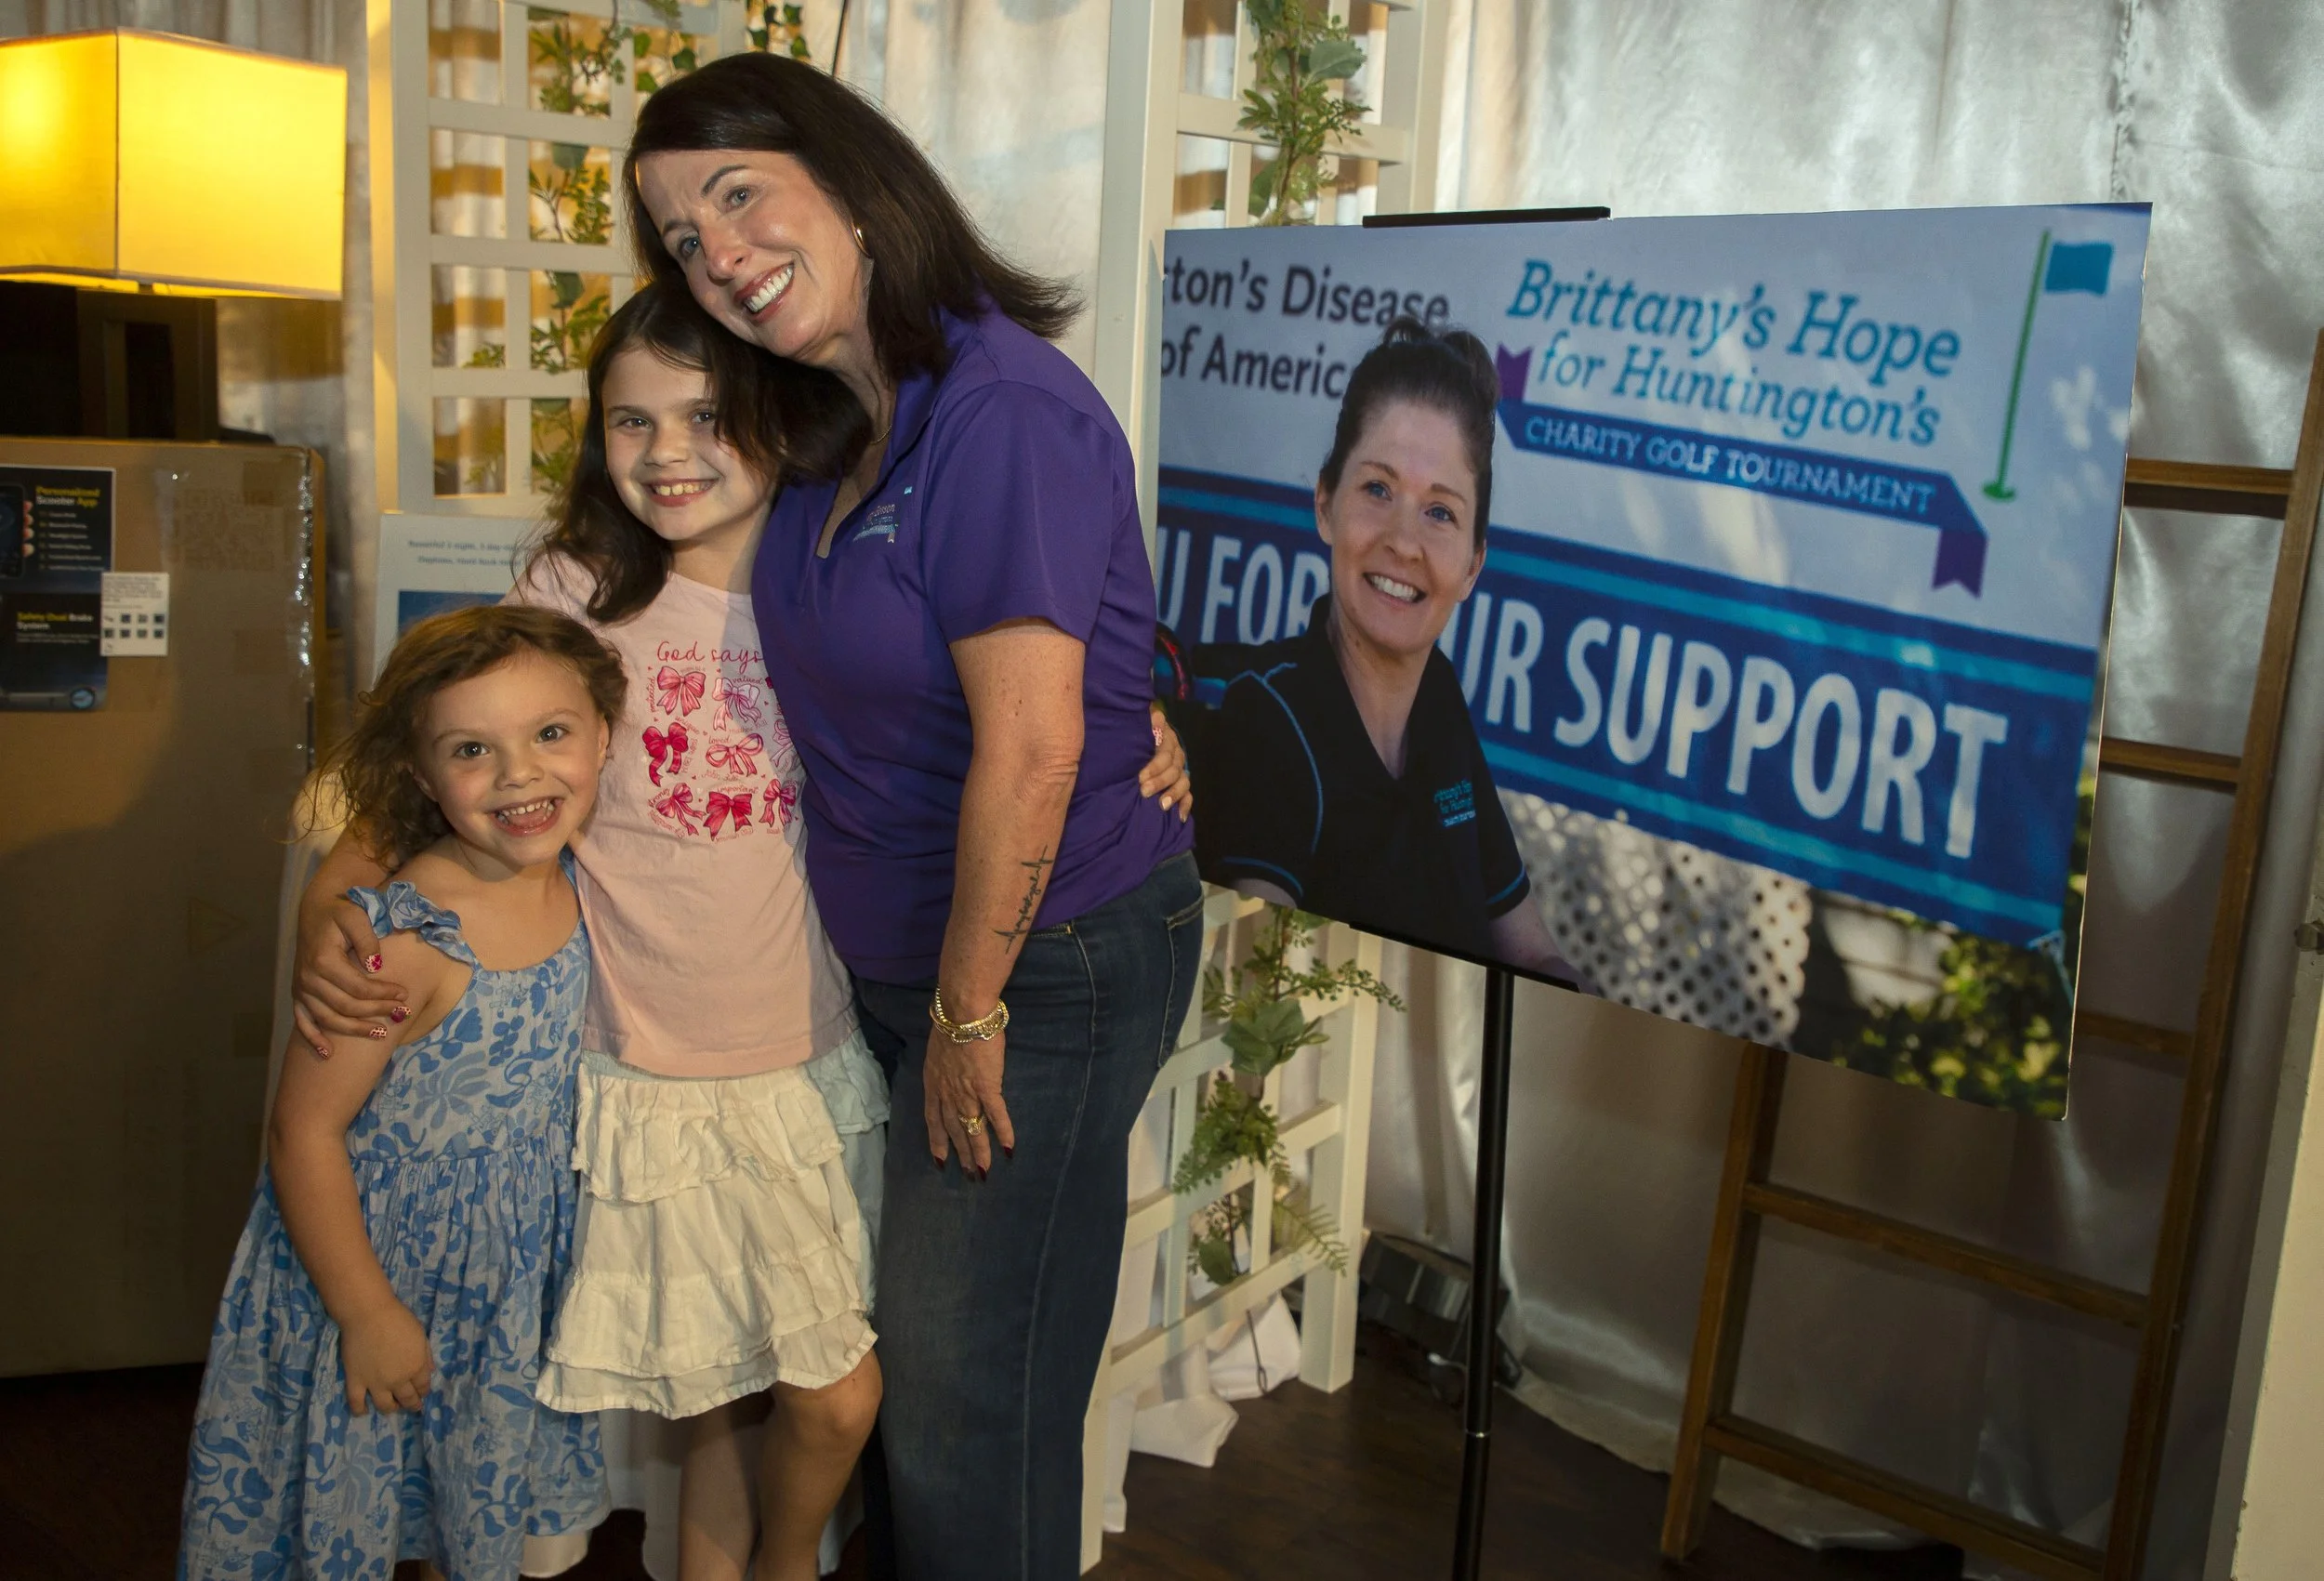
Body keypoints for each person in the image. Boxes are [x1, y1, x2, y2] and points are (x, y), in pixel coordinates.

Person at [287, 283, 1192, 1576]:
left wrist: (1152, 729)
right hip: (652, 1068)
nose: (665, 453)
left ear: (778, 412)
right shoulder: (576, 590)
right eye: (628, 421)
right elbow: (437, 764)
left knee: (810, 1384)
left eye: (707, 414)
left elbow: (1023, 677)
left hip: (814, 1054)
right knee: (742, 1390)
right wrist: (334, 909)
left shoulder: (832, 564)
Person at [626, 51, 1205, 1579]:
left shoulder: (999, 406)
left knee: (965, 1412)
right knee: (903, 1391)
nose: (716, 249)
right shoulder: (828, 419)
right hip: (885, 975)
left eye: (737, 193)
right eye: (682, 237)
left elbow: (1024, 750)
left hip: (1028, 973)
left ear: (858, 184)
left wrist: (964, 1010)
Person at [179, 605, 617, 1580]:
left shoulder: (587, 881)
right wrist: (366, 1311)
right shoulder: (405, 940)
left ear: (603, 736)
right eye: (473, 749)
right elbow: (303, 1134)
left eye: (550, 734)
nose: (520, 775)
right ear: (421, 778)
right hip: (373, 1274)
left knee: (471, 1513)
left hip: (505, 1290)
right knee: (363, 1513)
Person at [1179, 319, 1579, 982]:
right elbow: (1260, 991)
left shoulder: (1439, 697)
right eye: (1378, 490)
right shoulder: (1270, 717)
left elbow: (1530, 947)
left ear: (1474, 564)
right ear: (1325, 504)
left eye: (1441, 512)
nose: (1403, 540)